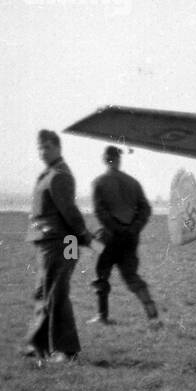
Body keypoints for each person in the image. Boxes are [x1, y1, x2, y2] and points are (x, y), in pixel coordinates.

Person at [25, 129, 94, 362]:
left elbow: (69, 211)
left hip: (62, 242)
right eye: (40, 148)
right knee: (45, 291)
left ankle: (67, 350)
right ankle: (38, 345)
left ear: (57, 148)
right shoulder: (50, 173)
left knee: (56, 293)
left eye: (47, 147)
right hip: (56, 241)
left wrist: (84, 235)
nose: (42, 152)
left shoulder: (59, 175)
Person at [89, 145, 158, 323]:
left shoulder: (98, 183)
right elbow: (146, 209)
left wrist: (115, 228)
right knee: (131, 276)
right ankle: (152, 315)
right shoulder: (134, 183)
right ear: (119, 159)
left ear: (105, 160)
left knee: (101, 275)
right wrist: (133, 228)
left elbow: (100, 211)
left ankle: (102, 316)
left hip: (108, 238)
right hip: (130, 239)